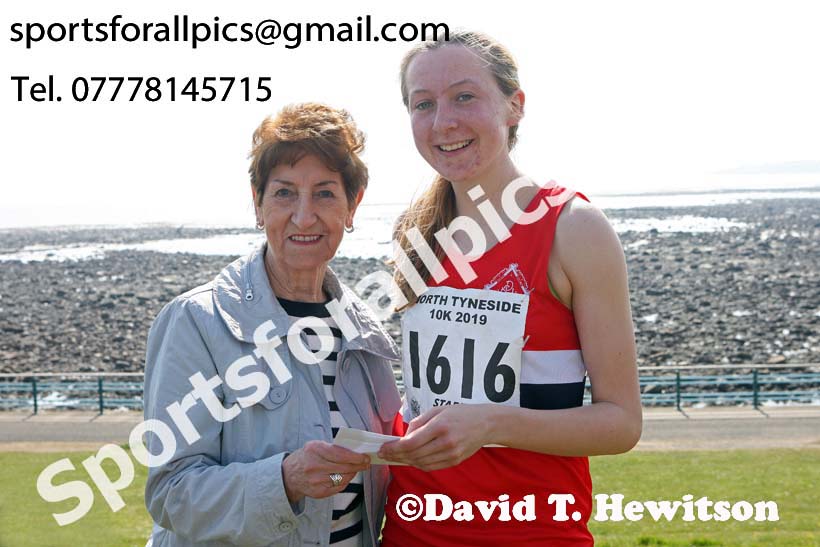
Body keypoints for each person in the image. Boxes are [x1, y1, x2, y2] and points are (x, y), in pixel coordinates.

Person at [378, 31, 642, 545]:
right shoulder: (416, 231)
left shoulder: (573, 226)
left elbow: (621, 422)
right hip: (410, 531)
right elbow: (428, 397)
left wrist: (492, 424)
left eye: (464, 96)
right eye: (423, 104)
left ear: (514, 106)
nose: (443, 121)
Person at [142, 103, 401, 547]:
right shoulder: (196, 321)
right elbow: (170, 494)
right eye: (284, 193)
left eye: (324, 193)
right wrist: (285, 479)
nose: (303, 216)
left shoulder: (363, 331)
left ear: (352, 206)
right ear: (258, 203)